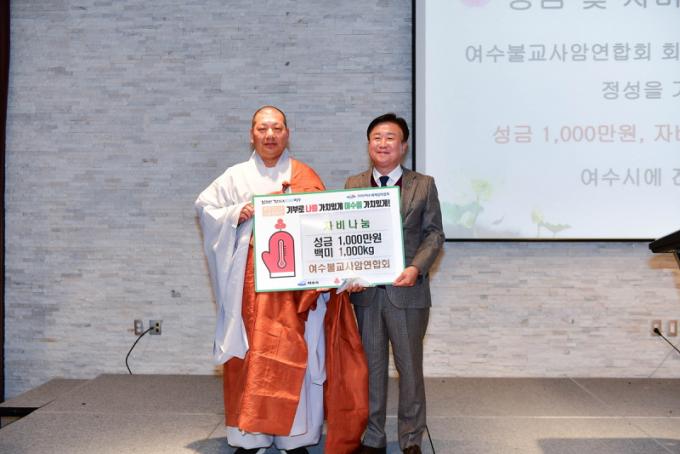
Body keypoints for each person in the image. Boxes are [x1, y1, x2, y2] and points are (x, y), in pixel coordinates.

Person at [195, 106, 367, 454]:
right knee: (249, 354)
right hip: (250, 285)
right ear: (251, 135)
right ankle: (250, 437)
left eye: (276, 128)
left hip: (296, 290)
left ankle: (295, 437)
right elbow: (205, 207)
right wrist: (236, 213)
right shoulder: (235, 177)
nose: (270, 135)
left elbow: (324, 228)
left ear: (287, 133)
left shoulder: (304, 175)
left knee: (296, 354)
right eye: (262, 128)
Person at [345, 113, 444, 454]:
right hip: (367, 295)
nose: (383, 143)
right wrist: (349, 273)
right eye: (377, 137)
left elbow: (434, 234)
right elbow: (346, 236)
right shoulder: (353, 184)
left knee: (410, 369)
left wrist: (416, 268)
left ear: (403, 147)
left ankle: (411, 438)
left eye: (391, 138)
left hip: (408, 292)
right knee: (370, 370)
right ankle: (373, 437)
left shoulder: (424, 184)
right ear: (368, 144)